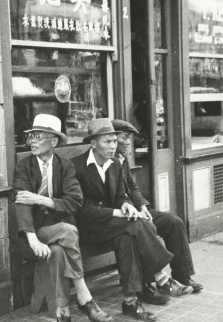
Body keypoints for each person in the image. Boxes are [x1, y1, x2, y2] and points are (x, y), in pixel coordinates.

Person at [72, 118, 181, 322]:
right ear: (93, 143)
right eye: (107, 142)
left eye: (114, 141)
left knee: (127, 236)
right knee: (133, 223)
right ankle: (161, 276)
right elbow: (81, 209)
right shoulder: (77, 167)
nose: (113, 146)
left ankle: (130, 302)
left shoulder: (115, 164)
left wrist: (126, 204)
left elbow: (121, 194)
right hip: (88, 228)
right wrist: (117, 213)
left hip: (115, 226)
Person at [13, 114, 112, 322]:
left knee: (58, 249)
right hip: (34, 232)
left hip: (61, 233)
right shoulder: (24, 166)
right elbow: (22, 203)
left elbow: (75, 201)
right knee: (69, 231)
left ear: (54, 141)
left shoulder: (65, 166)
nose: (32, 141)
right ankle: (84, 295)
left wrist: (40, 199)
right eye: (31, 136)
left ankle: (62, 309)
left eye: (38, 136)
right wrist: (33, 239)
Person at [111, 120, 202, 295]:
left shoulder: (122, 160)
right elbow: (116, 197)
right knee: (146, 227)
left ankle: (183, 275)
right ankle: (156, 282)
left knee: (174, 222)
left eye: (129, 138)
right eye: (124, 138)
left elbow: (132, 186)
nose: (129, 142)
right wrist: (134, 209)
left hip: (135, 210)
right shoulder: (108, 162)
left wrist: (143, 206)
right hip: (122, 214)